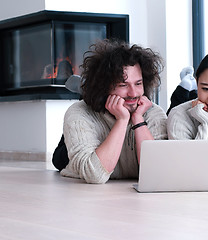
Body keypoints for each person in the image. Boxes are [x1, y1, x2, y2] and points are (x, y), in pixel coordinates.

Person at [57, 39, 167, 184]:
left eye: (138, 83)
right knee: (59, 158)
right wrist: (121, 120)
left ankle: (86, 89)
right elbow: (95, 175)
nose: (133, 93)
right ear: (104, 86)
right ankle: (88, 92)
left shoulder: (153, 112)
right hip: (75, 150)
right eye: (123, 85)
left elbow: (157, 173)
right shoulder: (78, 112)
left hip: (111, 142)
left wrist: (138, 120)